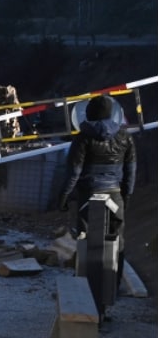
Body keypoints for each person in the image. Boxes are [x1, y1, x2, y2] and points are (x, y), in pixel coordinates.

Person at [58, 94, 136, 322]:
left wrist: (63, 197)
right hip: (115, 196)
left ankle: (85, 299)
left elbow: (73, 173)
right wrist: (126, 197)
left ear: (88, 113)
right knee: (117, 245)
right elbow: (130, 172)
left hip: (88, 197)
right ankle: (110, 293)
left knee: (85, 243)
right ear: (112, 113)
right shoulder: (125, 137)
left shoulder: (83, 138)